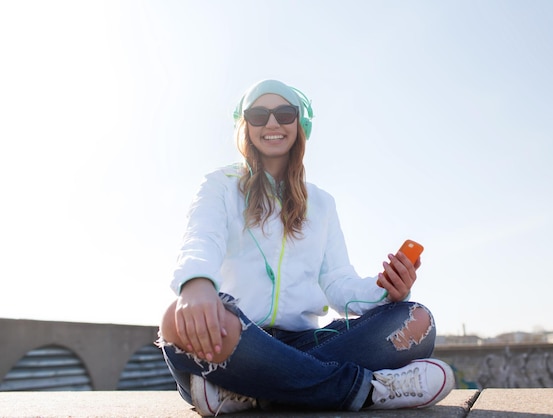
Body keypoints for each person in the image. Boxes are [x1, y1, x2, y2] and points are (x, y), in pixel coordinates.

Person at [158, 79, 455, 416]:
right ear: (246, 126)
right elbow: (201, 237)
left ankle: (248, 391)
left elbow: (338, 283)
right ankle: (370, 390)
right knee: (174, 322)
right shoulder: (220, 185)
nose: (272, 123)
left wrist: (385, 291)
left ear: (301, 125)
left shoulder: (322, 203)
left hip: (305, 342)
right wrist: (196, 284)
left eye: (284, 113)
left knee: (415, 320)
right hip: (239, 339)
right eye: (259, 114)